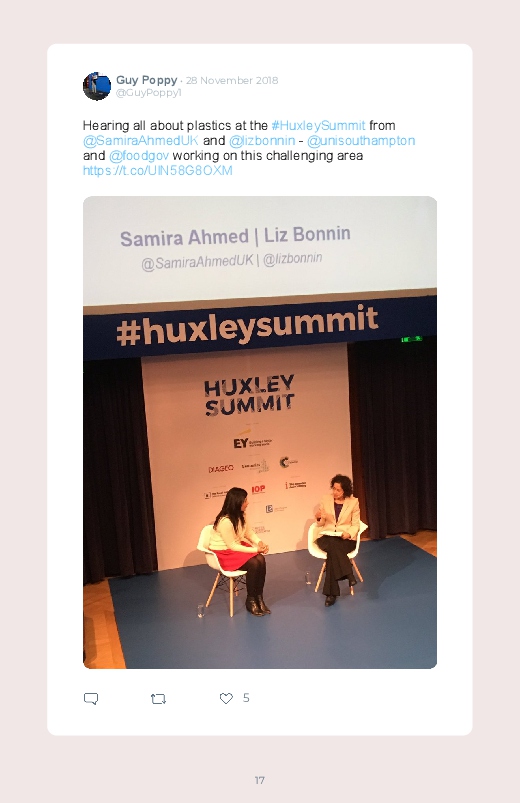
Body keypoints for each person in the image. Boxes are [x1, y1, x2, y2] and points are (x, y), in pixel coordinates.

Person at [209, 487, 271, 616]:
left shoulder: (242, 515)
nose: (247, 503)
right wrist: (256, 549)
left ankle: (259, 597)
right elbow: (231, 545)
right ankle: (251, 600)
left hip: (235, 547)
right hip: (223, 553)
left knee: (261, 559)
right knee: (254, 563)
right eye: (245, 500)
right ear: (237, 502)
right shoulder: (225, 521)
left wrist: (259, 542)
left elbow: (248, 533)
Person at [314, 474, 360, 606]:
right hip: (327, 537)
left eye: (338, 490)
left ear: (345, 490)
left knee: (333, 553)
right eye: (333, 489)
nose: (335, 492)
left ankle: (331, 594)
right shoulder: (325, 500)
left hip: (345, 539)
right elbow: (321, 523)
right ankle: (348, 573)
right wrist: (318, 517)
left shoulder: (353, 502)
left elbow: (356, 524)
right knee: (333, 544)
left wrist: (349, 533)